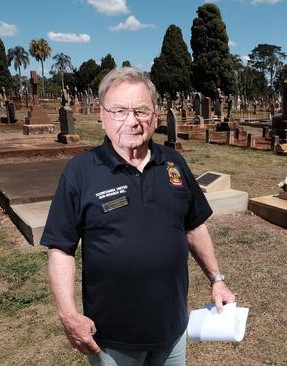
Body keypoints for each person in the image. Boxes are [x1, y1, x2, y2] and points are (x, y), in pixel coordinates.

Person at [41, 67, 235, 366]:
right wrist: (68, 315)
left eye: (141, 110)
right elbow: (61, 249)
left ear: (155, 116)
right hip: (112, 337)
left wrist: (217, 279)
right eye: (119, 111)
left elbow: (194, 225)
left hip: (172, 329)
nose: (132, 121)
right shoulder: (81, 172)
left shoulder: (174, 163)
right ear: (103, 116)